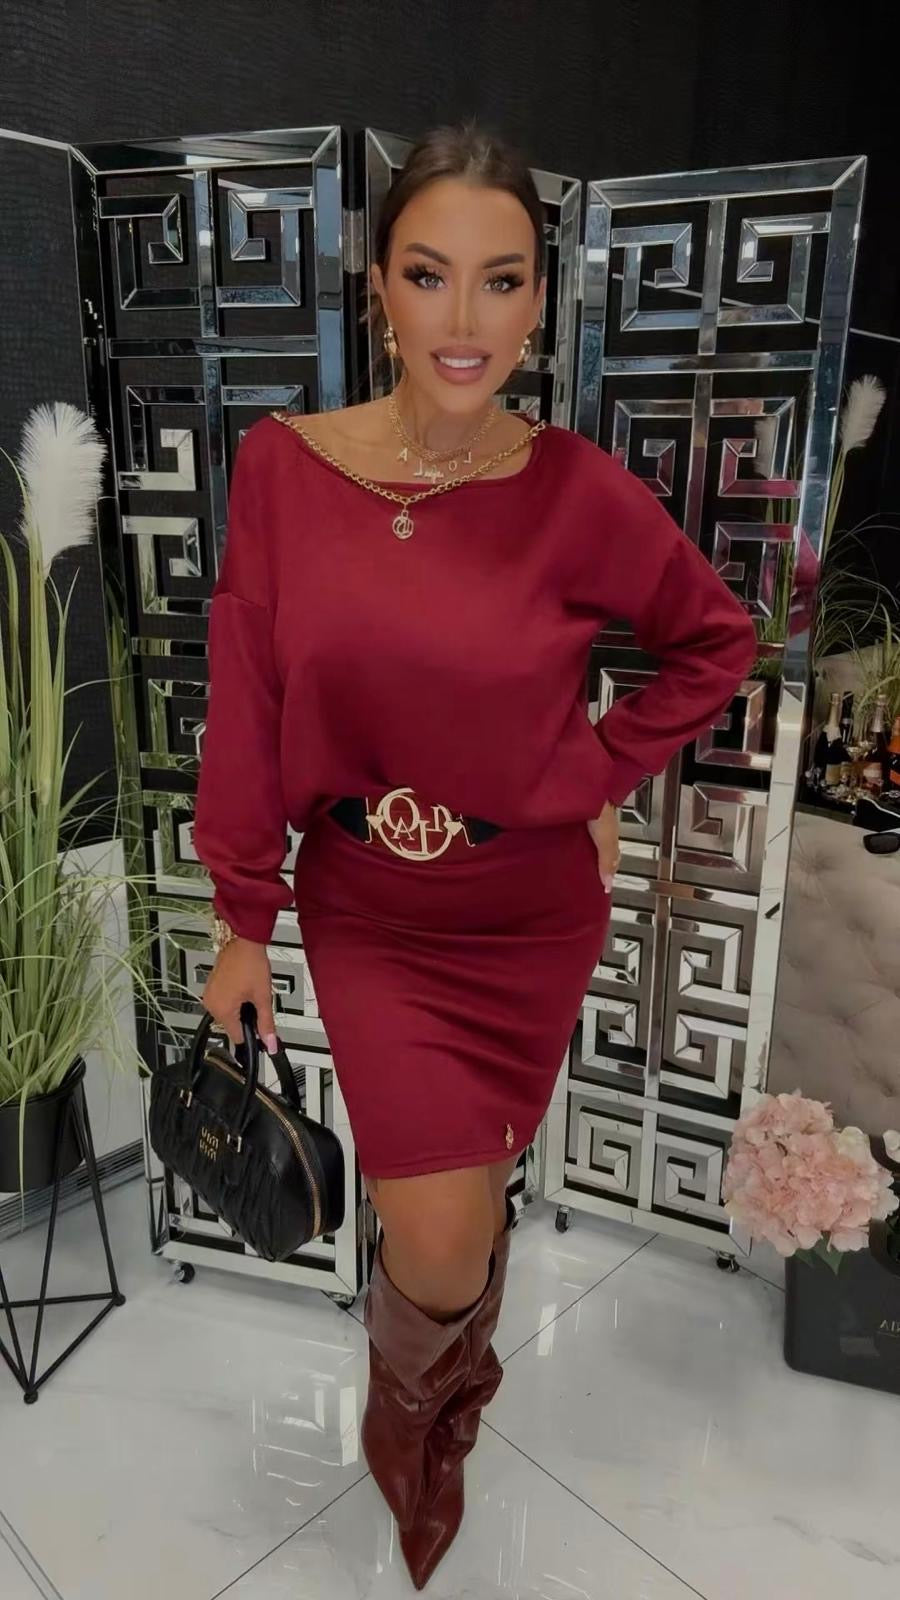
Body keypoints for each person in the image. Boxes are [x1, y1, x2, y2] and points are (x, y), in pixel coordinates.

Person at [192, 118, 758, 1589]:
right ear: (377, 284)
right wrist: (243, 915)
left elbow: (715, 642)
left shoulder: (574, 488)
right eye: (430, 273)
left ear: (540, 300)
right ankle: (417, 1414)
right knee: (439, 1228)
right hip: (372, 904)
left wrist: (595, 766)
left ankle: (442, 1396)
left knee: (475, 1184)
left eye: (501, 281)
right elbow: (248, 701)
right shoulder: (285, 468)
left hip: (530, 908)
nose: (465, 318)